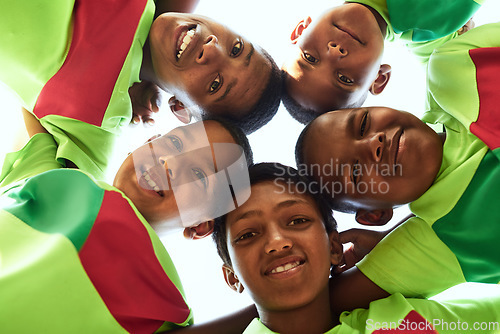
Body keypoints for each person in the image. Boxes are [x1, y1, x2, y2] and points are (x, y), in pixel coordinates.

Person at [294, 22, 500, 314]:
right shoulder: (438, 242)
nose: (373, 144)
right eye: (355, 172)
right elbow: (310, 312)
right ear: (374, 214)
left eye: (363, 124)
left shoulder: (454, 66)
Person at [0, 114, 253, 332]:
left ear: (200, 226)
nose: (169, 162)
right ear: (148, 141)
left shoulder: (168, 307)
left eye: (199, 175)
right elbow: (34, 91)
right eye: (175, 142)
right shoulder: (55, 178)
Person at [0, 0, 281, 180]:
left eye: (215, 84)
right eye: (236, 48)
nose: (212, 48)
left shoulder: (96, 125)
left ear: (180, 109)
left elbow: (38, 201)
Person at [211, 162, 500, 334]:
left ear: (335, 248)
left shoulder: (403, 319)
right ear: (231, 276)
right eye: (248, 234)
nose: (277, 242)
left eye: (298, 220)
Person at [281, 0, 479, 124]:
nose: (334, 53)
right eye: (344, 78)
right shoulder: (435, 22)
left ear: (300, 30)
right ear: (379, 78)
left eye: (309, 58)